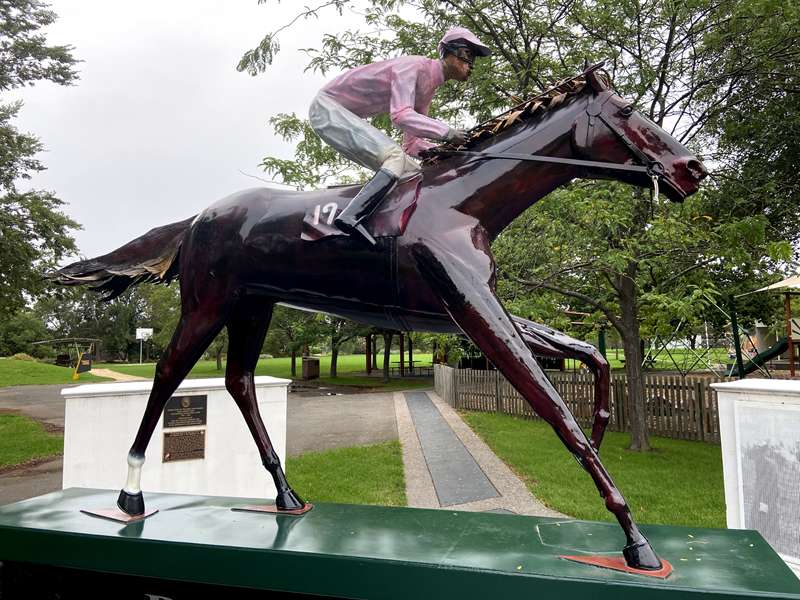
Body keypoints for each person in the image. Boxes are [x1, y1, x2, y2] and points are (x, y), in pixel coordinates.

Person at [308, 27, 491, 244]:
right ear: (447, 53)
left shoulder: (429, 86)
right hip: (327, 108)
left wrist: (450, 153)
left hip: (342, 113)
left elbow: (412, 144)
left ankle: (390, 231)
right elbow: (401, 115)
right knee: (394, 158)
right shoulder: (413, 66)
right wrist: (447, 132)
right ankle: (351, 216)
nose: (470, 65)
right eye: (467, 55)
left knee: (412, 171)